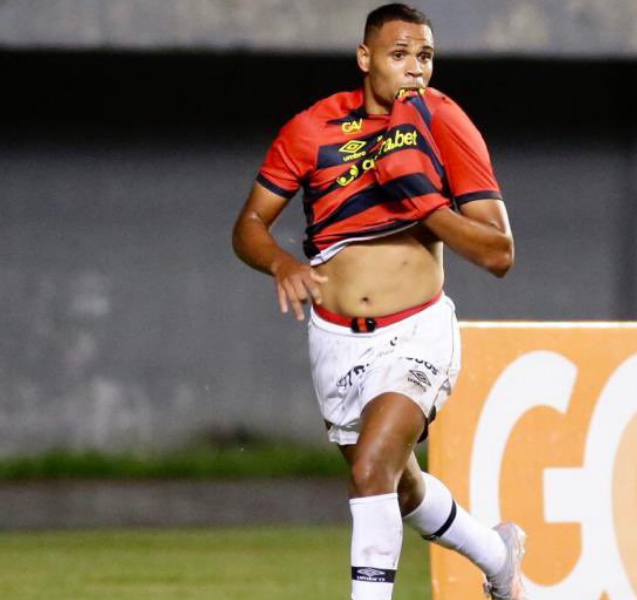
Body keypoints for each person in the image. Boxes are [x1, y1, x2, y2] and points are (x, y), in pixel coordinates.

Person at [231, 4, 528, 600]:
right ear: (365, 58)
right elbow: (248, 227)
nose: (415, 69)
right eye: (400, 55)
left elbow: (499, 253)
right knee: (398, 486)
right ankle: (499, 556)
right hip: (336, 339)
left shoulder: (444, 123)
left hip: (415, 332)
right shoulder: (313, 129)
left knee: (371, 470)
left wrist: (425, 206)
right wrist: (282, 261)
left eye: (425, 57)